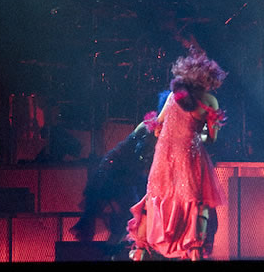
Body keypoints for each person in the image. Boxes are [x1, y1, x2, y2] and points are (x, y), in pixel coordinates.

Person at [127, 48, 227, 261]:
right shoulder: (210, 101)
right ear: (210, 79)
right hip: (188, 157)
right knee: (195, 202)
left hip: (163, 156)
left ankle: (139, 250)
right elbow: (211, 139)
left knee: (154, 199)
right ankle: (194, 250)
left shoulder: (174, 96)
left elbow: (158, 124)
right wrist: (195, 136)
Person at [70, 113, 158, 244]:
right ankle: (94, 247)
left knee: (127, 213)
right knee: (96, 211)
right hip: (112, 171)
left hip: (125, 175)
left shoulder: (152, 144)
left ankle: (114, 245)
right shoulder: (140, 134)